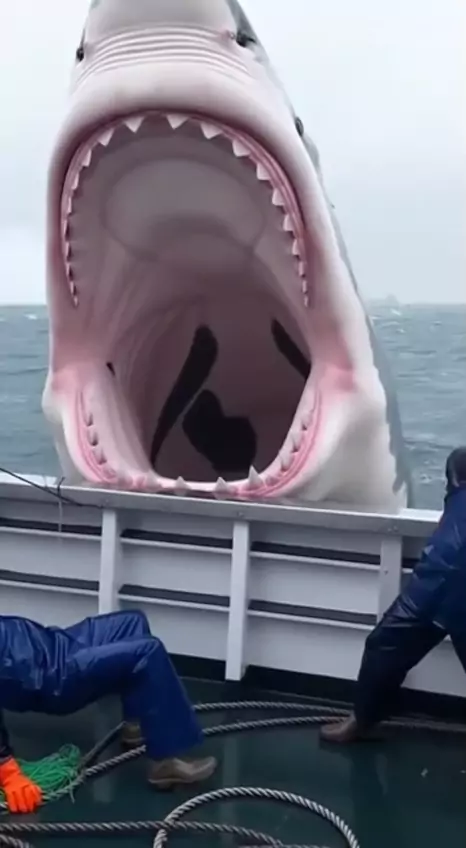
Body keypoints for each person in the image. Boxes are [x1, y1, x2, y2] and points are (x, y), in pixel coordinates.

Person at [0, 609, 217, 814]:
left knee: (133, 622)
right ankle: (165, 764)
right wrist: (7, 770)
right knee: (148, 651)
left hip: (53, 644)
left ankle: (136, 726)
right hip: (57, 676)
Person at [321, 446, 466, 745]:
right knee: (382, 644)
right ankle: (363, 719)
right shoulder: (460, 465)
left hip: (447, 584)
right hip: (434, 580)